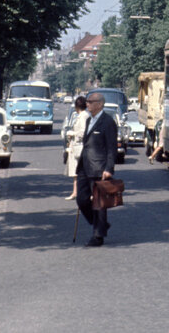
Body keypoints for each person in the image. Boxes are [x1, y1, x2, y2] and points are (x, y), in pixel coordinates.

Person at [75, 91, 117, 247]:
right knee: (81, 199)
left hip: (99, 168)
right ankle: (101, 225)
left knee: (99, 203)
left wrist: (109, 168)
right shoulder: (88, 120)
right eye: (87, 101)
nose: (87, 104)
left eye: (90, 101)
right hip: (84, 167)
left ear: (99, 104)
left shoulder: (107, 122)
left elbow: (112, 148)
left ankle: (98, 236)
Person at [63, 96, 88, 200]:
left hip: (79, 147)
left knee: (78, 171)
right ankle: (75, 192)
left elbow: (83, 132)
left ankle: (77, 192)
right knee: (75, 172)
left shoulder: (83, 116)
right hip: (77, 146)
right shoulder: (83, 115)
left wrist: (72, 133)